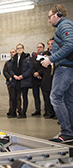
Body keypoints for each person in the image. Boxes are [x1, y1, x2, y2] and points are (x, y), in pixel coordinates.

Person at [41, 4, 73, 142]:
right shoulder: (65, 26)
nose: (49, 20)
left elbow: (70, 44)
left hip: (65, 69)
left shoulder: (64, 26)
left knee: (55, 97)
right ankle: (70, 133)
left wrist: (50, 59)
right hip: (69, 69)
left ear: (57, 15)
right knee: (68, 100)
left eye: (49, 17)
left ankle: (66, 132)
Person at [9, 44, 33, 118]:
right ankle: (14, 112)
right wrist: (14, 76)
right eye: (18, 48)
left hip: (24, 80)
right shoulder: (14, 58)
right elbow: (10, 69)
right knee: (14, 97)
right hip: (15, 80)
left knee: (24, 97)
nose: (19, 49)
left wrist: (22, 76)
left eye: (20, 48)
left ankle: (23, 112)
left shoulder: (27, 58)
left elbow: (30, 69)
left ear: (23, 49)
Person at [3, 49, 22, 117]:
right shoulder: (7, 62)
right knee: (11, 97)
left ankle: (19, 111)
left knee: (18, 97)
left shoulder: (19, 62)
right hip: (10, 82)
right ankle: (12, 111)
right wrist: (9, 77)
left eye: (13, 52)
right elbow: (5, 71)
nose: (12, 54)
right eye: (10, 52)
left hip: (18, 82)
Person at [31, 43, 45, 116]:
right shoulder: (34, 57)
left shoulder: (46, 56)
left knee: (45, 95)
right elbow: (31, 66)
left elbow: (45, 67)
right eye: (38, 47)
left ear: (43, 48)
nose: (39, 48)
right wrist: (34, 73)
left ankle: (47, 111)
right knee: (36, 95)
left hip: (43, 78)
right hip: (35, 79)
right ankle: (37, 110)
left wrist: (39, 73)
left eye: (40, 47)